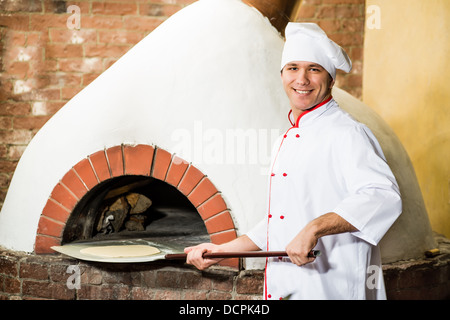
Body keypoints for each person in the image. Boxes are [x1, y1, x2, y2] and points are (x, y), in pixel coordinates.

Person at [184, 23, 402, 300]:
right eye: (293, 68)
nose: (302, 79)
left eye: (314, 69)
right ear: (282, 75)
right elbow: (282, 220)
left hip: (332, 286)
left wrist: (314, 228)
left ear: (331, 79)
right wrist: (223, 250)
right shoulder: (287, 138)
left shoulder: (347, 133)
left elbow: (383, 195)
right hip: (289, 285)